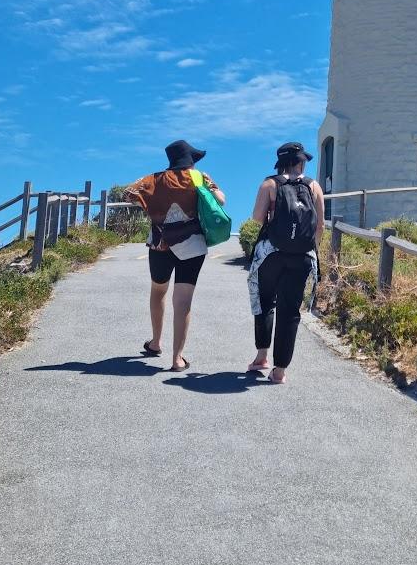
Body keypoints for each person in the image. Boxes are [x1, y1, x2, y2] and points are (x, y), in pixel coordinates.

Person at [125, 139, 226, 372]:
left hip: (160, 244)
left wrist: (154, 206)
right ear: (190, 160)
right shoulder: (198, 177)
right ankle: (177, 359)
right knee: (183, 301)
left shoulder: (154, 178)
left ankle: (155, 342)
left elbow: (129, 193)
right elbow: (221, 200)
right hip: (192, 245)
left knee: (158, 291)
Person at [246, 142, 324, 384]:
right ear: (300, 162)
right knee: (290, 312)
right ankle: (279, 371)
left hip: (272, 255)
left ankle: (261, 357)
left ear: (280, 162)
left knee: (265, 302)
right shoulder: (314, 186)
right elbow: (320, 226)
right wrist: (307, 246)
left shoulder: (269, 184)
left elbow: (257, 219)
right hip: (302, 257)